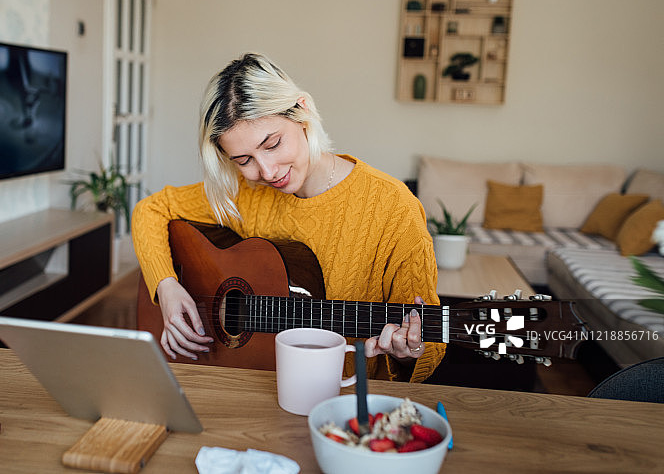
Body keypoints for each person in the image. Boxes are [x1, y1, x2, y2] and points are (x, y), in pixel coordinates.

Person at [131, 53, 444, 382]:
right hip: (254, 388)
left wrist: (409, 350)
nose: (266, 171)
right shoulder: (245, 192)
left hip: (349, 406)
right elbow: (150, 209)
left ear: (303, 112)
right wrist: (166, 286)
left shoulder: (393, 207)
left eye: (273, 144)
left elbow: (430, 343)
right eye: (243, 159)